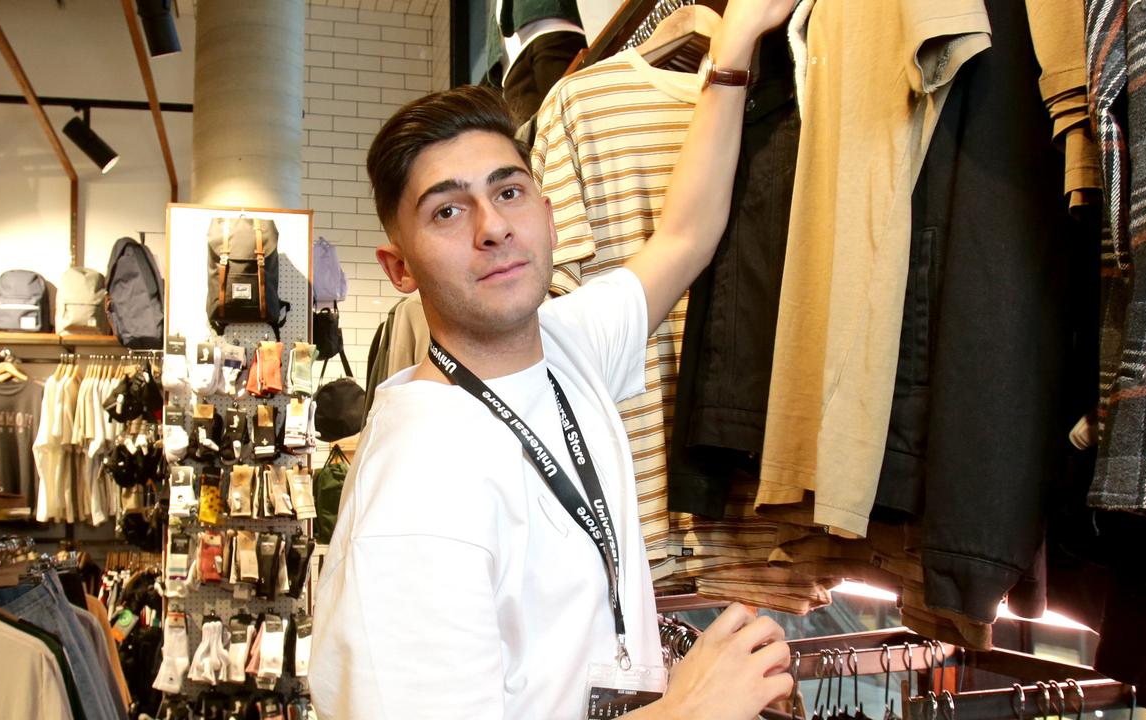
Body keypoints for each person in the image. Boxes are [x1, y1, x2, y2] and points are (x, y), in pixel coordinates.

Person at [310, 1, 797, 717]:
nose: (493, 227)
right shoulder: (417, 492)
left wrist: (735, 45)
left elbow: (686, 237)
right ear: (399, 269)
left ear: (546, 211)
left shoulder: (565, 346)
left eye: (507, 191)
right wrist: (684, 712)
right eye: (447, 211)